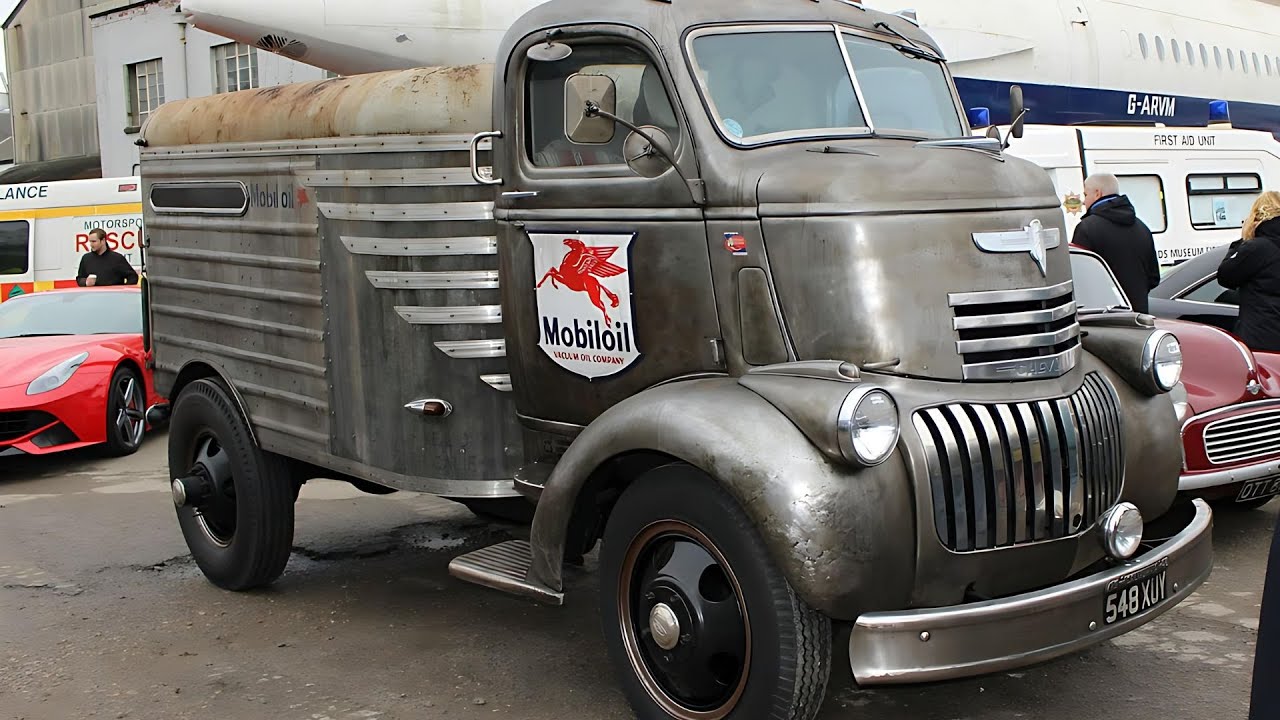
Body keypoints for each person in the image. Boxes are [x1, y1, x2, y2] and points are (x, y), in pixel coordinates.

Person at [1071, 173, 1160, 314]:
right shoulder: (1142, 228)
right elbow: (1154, 278)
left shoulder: (1087, 228)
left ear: (1097, 194)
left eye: (1085, 195)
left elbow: (1081, 279)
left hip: (1102, 319)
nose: (1083, 201)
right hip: (1140, 317)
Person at [1217, 190, 1280, 353]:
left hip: (1262, 340)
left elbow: (1226, 276)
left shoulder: (1257, 248)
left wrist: (1242, 242)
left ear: (1257, 216)